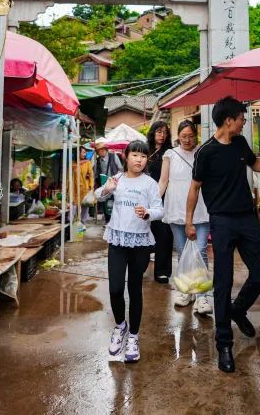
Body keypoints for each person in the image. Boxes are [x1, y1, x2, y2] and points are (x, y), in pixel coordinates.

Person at [186, 96, 260, 373]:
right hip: (222, 222)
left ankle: (238, 310)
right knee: (223, 282)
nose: (244, 122)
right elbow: (194, 188)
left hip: (247, 219)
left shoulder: (239, 143)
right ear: (229, 120)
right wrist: (189, 221)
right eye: (241, 118)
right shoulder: (206, 152)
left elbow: (256, 163)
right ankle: (224, 343)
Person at [94, 140, 164, 363]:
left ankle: (133, 336)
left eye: (143, 156)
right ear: (126, 157)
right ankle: (120, 326)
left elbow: (160, 210)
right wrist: (107, 188)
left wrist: (147, 214)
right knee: (115, 289)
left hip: (140, 242)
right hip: (117, 239)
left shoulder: (150, 184)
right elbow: (97, 195)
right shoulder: (117, 179)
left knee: (135, 290)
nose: (139, 160)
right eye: (135, 155)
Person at [159, 119, 212, 314]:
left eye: (190, 136)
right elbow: (163, 181)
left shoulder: (203, 152)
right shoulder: (170, 155)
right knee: (182, 253)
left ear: (196, 135)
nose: (187, 140)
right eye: (183, 137)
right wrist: (155, 203)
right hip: (175, 209)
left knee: (200, 252)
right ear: (177, 137)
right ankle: (187, 292)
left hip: (200, 209)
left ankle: (202, 296)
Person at [145, 121, 174, 283]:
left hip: (162, 197)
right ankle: (139, 265)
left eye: (164, 132)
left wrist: (155, 199)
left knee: (163, 234)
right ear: (153, 133)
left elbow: (165, 179)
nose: (162, 136)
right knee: (142, 230)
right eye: (158, 132)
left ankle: (162, 271)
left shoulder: (168, 153)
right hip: (143, 196)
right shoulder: (145, 150)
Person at [92, 138, 122, 223]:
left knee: (115, 202)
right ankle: (107, 221)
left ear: (105, 149)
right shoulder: (97, 160)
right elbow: (95, 173)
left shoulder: (113, 156)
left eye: (102, 150)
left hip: (115, 184)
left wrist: (116, 178)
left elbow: (120, 169)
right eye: (98, 151)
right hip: (104, 185)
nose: (101, 152)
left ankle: (115, 220)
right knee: (105, 203)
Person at [74, 146, 95, 222]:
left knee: (85, 207)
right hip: (75, 189)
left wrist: (91, 186)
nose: (84, 154)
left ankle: (82, 224)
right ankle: (74, 223)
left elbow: (91, 175)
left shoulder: (88, 163)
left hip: (85, 188)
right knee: (74, 207)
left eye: (85, 152)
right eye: (83, 152)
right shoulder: (73, 163)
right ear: (78, 153)